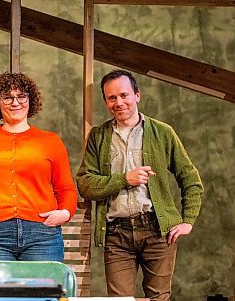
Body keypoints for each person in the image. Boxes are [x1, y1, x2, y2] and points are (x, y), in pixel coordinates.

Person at [76, 69, 204, 300]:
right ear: (106, 101)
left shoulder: (162, 132)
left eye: (124, 95)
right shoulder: (99, 136)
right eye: (111, 98)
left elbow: (191, 179)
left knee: (158, 297)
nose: (119, 102)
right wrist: (125, 179)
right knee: (119, 299)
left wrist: (187, 221)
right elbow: (85, 184)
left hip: (157, 230)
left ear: (137, 95)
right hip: (116, 233)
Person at [0, 72, 78, 266]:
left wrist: (65, 213)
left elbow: (66, 189)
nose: (15, 102)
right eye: (7, 97)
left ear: (30, 100)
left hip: (42, 234)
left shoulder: (50, 141)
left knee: (41, 295)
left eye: (21, 96)